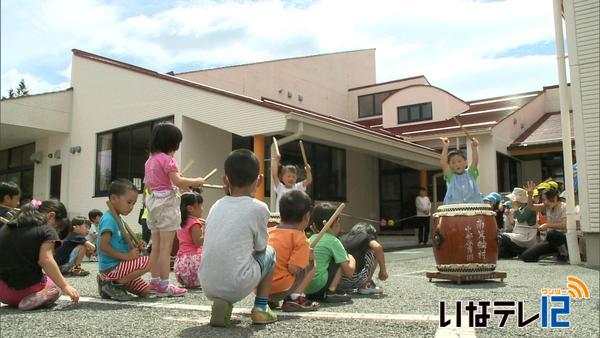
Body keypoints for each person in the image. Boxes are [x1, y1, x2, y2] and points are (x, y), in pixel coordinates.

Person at [199, 149, 278, 327]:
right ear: (259, 181)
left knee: (233, 257)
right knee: (271, 253)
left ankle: (224, 305)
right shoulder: (258, 208)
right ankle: (261, 308)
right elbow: (261, 248)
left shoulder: (216, 205)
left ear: (225, 180)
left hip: (207, 283)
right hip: (237, 283)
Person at [144, 122, 205, 297]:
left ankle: (155, 281)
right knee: (166, 248)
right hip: (166, 205)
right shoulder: (168, 160)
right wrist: (196, 181)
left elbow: (154, 184)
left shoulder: (150, 161)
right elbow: (178, 181)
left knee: (156, 246)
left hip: (153, 203)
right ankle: (164, 284)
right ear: (172, 142)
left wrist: (178, 186)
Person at [0, 200, 79, 310]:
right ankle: (31, 299)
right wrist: (65, 286)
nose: (56, 232)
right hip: (27, 290)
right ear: (51, 216)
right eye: (57, 227)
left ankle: (21, 299)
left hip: (3, 293)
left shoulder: (7, 227)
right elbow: (45, 260)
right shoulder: (47, 230)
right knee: (56, 286)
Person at [97, 179, 152, 301]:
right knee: (150, 261)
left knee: (146, 291)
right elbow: (103, 247)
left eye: (133, 203)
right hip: (113, 268)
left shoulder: (118, 219)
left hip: (121, 269)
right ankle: (113, 285)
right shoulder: (109, 219)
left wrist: (136, 246)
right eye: (129, 202)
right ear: (114, 198)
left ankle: (112, 284)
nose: (131, 207)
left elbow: (120, 244)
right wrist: (127, 256)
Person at [268, 190, 319, 312]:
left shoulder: (268, 231)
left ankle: (268, 300)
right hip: (280, 289)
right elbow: (293, 268)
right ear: (307, 216)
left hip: (259, 288)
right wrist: (307, 257)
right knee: (311, 264)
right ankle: (295, 298)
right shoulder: (300, 238)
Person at [305, 203, 355, 303]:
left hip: (305, 289)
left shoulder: (310, 238)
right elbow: (349, 272)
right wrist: (352, 258)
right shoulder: (333, 241)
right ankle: (331, 291)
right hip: (320, 288)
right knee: (341, 260)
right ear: (337, 222)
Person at [520, 182, 567, 263]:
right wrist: (530, 195)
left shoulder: (564, 207)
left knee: (553, 233)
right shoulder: (546, 207)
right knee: (526, 256)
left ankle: (564, 253)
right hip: (550, 240)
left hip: (563, 239)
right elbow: (530, 207)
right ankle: (551, 253)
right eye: (543, 200)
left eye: (545, 199)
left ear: (554, 198)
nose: (544, 202)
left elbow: (564, 225)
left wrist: (547, 225)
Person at [338, 223, 388, 295]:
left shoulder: (342, 237)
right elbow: (377, 247)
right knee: (374, 251)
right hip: (355, 280)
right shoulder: (366, 235)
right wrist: (383, 271)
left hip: (338, 280)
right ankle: (365, 285)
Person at [174, 191, 204, 289]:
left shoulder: (180, 222)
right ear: (190, 208)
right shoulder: (195, 223)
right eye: (200, 206)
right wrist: (210, 231)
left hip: (181, 264)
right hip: (193, 264)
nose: (202, 209)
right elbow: (198, 242)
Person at [498, 188, 538, 259]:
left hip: (527, 237)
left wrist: (515, 208)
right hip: (519, 235)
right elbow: (516, 224)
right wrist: (509, 215)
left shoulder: (530, 209)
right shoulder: (520, 209)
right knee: (501, 246)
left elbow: (521, 218)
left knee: (504, 238)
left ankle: (522, 251)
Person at [440, 137, 483, 204]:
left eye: (459, 161)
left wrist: (474, 148)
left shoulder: (470, 173)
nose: (457, 164)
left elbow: (475, 162)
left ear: (465, 162)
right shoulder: (450, 176)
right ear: (450, 165)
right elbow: (443, 164)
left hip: (473, 208)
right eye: (453, 162)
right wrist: (445, 147)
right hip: (454, 209)